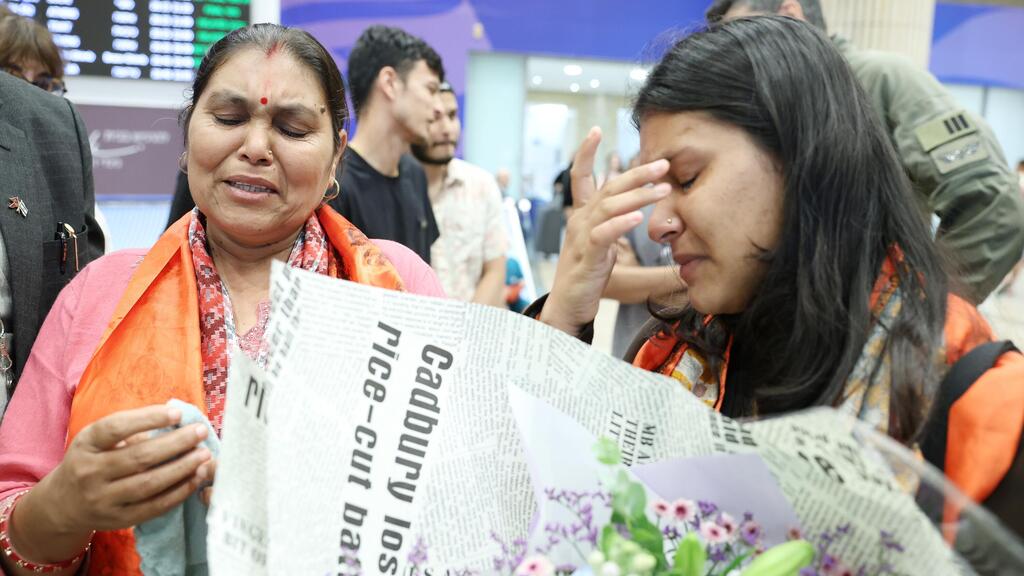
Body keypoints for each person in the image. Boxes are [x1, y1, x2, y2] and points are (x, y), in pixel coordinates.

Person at [533, 16, 1021, 523]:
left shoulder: (973, 400)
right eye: (655, 190)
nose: (658, 225)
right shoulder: (673, 354)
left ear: (804, 158)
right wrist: (565, 313)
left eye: (687, 177)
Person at [0, 23, 444, 574]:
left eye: (293, 128)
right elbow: (13, 513)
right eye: (229, 120)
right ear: (189, 136)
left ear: (335, 157)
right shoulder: (99, 295)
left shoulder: (397, 284)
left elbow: (457, 491)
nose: (255, 148)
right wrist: (66, 505)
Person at [704, 0, 1024, 304]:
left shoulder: (881, 79)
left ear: (790, 14)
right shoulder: (779, 108)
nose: (739, 59)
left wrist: (923, 313)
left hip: (866, 334)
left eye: (748, 37)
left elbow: (994, 206)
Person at [0, 7, 104, 409]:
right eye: (13, 75)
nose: (30, 91)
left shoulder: (61, 136)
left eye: (44, 81)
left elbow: (84, 301)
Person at [330, 25, 444, 264]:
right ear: (390, 82)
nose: (438, 109)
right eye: (431, 90)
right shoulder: (336, 185)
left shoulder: (414, 174)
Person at [412, 83, 507, 306]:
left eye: (453, 115)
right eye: (434, 117)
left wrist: (466, 328)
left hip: (470, 326)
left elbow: (495, 269)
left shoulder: (481, 185)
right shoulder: (392, 188)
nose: (447, 129)